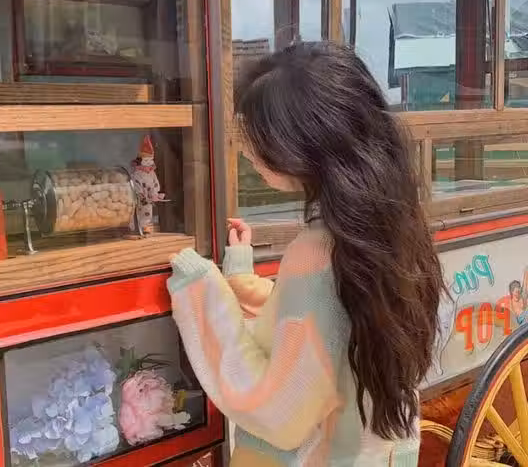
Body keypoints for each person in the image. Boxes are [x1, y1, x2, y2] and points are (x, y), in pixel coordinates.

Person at [167, 42, 445, 466]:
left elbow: (281, 415)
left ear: (305, 146)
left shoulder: (316, 253)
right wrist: (240, 273)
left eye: (260, 138)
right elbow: (327, 322)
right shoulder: (392, 227)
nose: (248, 152)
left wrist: (198, 290)